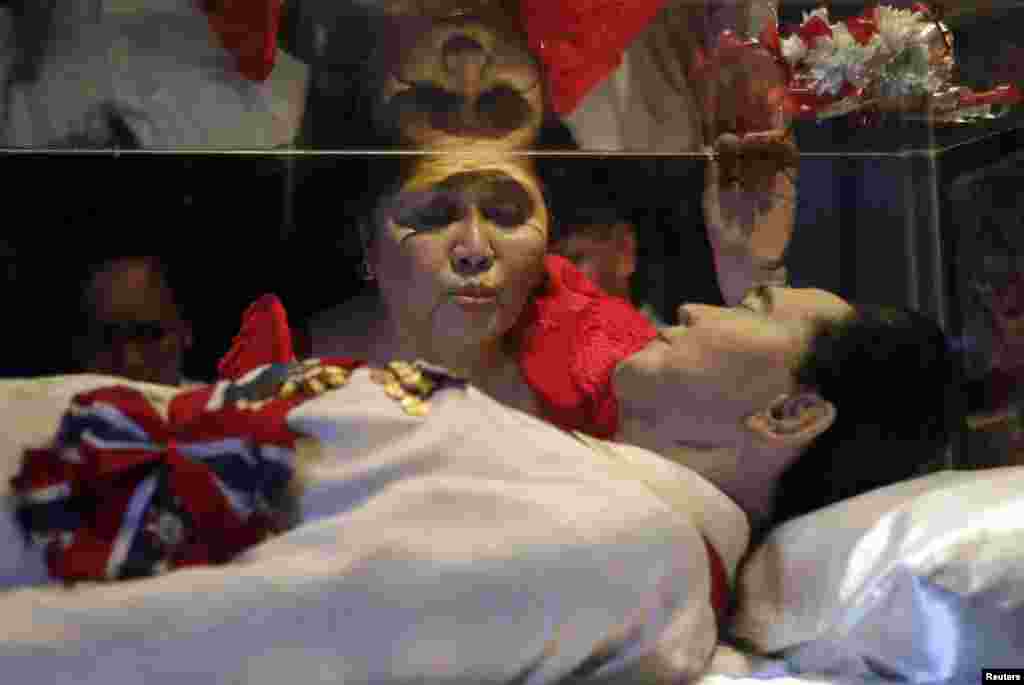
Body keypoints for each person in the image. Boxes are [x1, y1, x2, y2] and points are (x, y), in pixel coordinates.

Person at [71, 255, 193, 387]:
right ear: (80, 345)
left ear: (185, 331)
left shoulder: (214, 405)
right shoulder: (52, 404)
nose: (130, 361)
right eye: (108, 338)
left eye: (147, 334)